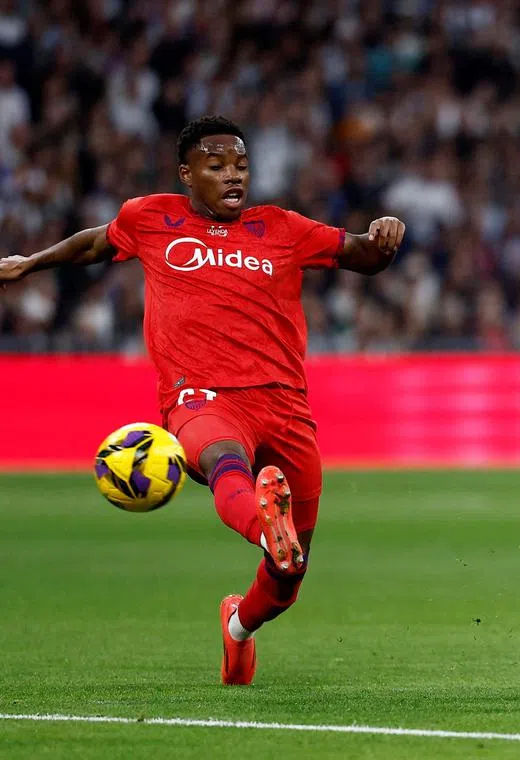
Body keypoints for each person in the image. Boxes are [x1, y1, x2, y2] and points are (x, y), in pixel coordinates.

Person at [0, 115, 406, 685]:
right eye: (217, 167)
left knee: (289, 576)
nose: (233, 176)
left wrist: (384, 239)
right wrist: (30, 262)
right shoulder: (149, 218)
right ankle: (266, 527)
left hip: (286, 405)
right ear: (187, 174)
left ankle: (238, 627)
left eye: (241, 166)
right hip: (201, 396)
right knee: (223, 459)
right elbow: (95, 242)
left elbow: (361, 254)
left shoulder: (282, 227)